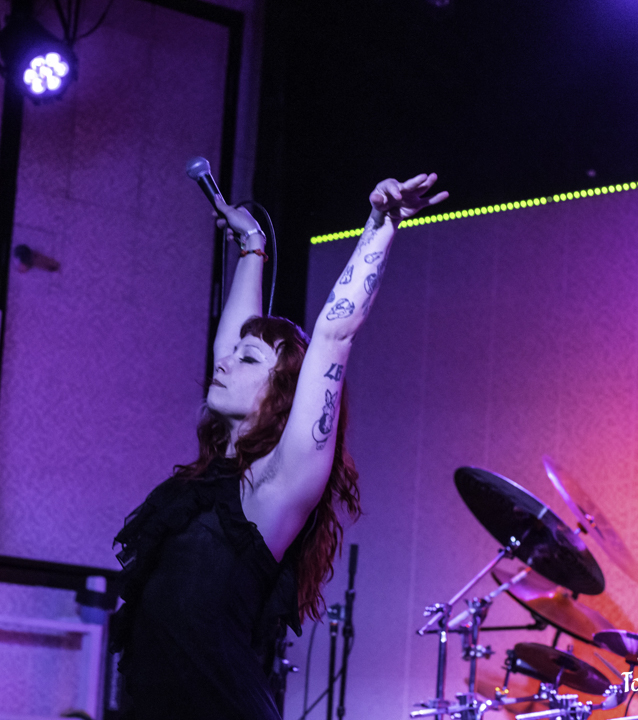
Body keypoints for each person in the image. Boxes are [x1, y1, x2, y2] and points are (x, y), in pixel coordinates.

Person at [111, 174, 447, 719]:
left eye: (247, 360)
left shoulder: (274, 487)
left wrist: (380, 226)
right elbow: (234, 339)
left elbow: (334, 336)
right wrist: (252, 248)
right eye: (231, 355)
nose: (224, 362)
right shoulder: (207, 483)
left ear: (281, 396)